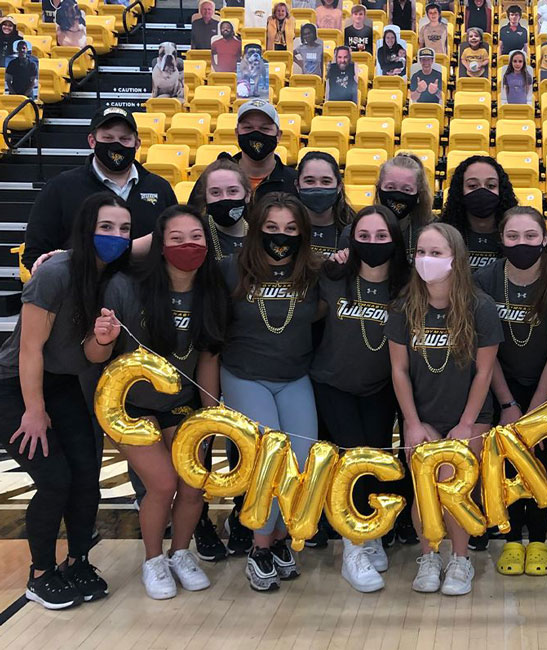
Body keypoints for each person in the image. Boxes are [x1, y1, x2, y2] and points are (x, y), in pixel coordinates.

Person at [87, 205, 228, 600]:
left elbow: (207, 360)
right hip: (127, 405)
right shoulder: (126, 288)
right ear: (160, 246)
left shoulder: (211, 291)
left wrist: (210, 414)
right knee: (163, 484)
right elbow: (96, 357)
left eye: (196, 237)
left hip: (180, 403)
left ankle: (180, 553)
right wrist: (101, 338)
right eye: (177, 238)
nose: (188, 245)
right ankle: (153, 560)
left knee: (193, 484)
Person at [0, 193, 131, 609]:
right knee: (55, 479)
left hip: (62, 383)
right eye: (106, 227)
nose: (116, 236)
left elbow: (92, 355)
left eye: (124, 229)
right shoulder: (55, 272)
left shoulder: (110, 277)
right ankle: (39, 575)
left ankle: (77, 561)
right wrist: (33, 411)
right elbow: (29, 350)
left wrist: (104, 339)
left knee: (86, 475)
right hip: (12, 386)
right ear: (86, 229)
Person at [387, 223, 503, 596]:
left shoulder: (480, 307)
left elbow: (485, 371)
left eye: (435, 253)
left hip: (470, 415)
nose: (426, 260)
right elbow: (399, 370)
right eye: (421, 252)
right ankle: (428, 555)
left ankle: (460, 559)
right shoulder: (405, 306)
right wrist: (412, 422)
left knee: (455, 485)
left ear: (455, 259)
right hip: (422, 415)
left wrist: (467, 423)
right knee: (425, 489)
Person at [221, 192, 323, 592]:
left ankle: (280, 541)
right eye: (272, 228)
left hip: (295, 376)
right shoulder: (229, 269)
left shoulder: (313, 271)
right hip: (245, 375)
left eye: (291, 229)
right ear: (255, 229)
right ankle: (259, 548)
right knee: (270, 460)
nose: (281, 236)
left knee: (300, 462)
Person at [312, 205, 410, 592]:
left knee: (378, 458)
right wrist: (331, 258)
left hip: (381, 387)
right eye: (363, 237)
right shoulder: (334, 276)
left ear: (395, 241)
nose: (372, 243)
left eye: (381, 237)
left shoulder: (406, 287)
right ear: (350, 241)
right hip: (332, 383)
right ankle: (353, 548)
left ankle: (371, 534)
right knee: (352, 458)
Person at [476, 207, 547, 578]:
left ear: (544, 239)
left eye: (530, 236)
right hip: (499, 382)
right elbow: (487, 353)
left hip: (544, 386)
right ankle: (511, 537)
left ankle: (539, 540)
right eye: (513, 237)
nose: (522, 243)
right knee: (503, 459)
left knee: (538, 456)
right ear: (501, 240)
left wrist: (533, 413)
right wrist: (508, 403)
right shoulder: (484, 279)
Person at [25, 106, 176, 269]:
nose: (116, 145)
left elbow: (173, 245)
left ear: (137, 143)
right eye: (108, 138)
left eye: (124, 139)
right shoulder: (60, 188)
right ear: (92, 141)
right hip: (82, 290)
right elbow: (35, 254)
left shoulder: (160, 188)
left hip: (146, 291)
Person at [440, 155, 519, 269]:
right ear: (460, 191)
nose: (482, 191)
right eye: (473, 186)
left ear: (501, 190)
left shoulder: (519, 236)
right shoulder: (442, 235)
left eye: (491, 185)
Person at [226, 100, 298, 201]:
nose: (256, 134)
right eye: (248, 127)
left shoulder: (295, 182)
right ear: (237, 133)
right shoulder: (215, 179)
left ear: (278, 135)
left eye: (265, 128)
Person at [190, 157, 251, 265]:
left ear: (247, 195)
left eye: (232, 191)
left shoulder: (259, 234)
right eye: (215, 192)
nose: (224, 198)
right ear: (205, 197)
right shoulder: (193, 233)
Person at [375, 153, 436, 257]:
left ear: (419, 193)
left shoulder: (435, 230)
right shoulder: (359, 228)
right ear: (379, 188)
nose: (398, 196)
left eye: (406, 189)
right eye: (390, 187)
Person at [296, 151, 351, 259]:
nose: (318, 187)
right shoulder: (284, 227)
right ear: (297, 186)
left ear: (339, 187)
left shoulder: (354, 230)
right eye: (309, 181)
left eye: (326, 182)